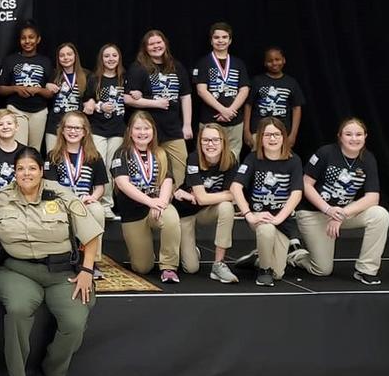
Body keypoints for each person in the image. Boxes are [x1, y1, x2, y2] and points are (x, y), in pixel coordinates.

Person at [0, 148, 101, 376]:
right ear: (14, 172)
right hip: (17, 270)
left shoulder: (62, 195)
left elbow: (91, 235)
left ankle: (53, 372)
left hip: (60, 271)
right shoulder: (0, 199)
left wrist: (86, 272)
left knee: (75, 319)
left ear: (41, 171)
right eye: (20, 169)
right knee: (17, 310)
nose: (26, 173)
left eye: (32, 168)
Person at [292, 118, 389, 284]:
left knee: (380, 214)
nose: (354, 138)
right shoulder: (325, 153)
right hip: (314, 213)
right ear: (340, 136)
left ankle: (366, 270)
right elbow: (306, 185)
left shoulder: (368, 159)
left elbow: (373, 198)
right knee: (322, 269)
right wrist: (328, 210)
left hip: (341, 214)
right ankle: (294, 254)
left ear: (365, 136)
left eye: (359, 134)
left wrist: (341, 214)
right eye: (348, 134)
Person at [230, 117, 304, 287]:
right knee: (266, 229)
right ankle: (263, 270)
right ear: (260, 138)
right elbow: (235, 187)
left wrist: (279, 218)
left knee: (277, 274)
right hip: (260, 216)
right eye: (267, 135)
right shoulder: (253, 158)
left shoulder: (294, 161)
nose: (272, 139)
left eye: (277, 134)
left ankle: (258, 257)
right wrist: (249, 215)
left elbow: (296, 194)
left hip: (283, 219)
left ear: (284, 137)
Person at [111, 111, 181, 282]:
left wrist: (161, 203)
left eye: (146, 128)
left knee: (170, 216)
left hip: (156, 208)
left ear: (153, 131)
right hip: (133, 213)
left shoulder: (161, 154)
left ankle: (169, 267)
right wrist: (151, 202)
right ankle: (140, 248)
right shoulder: (122, 154)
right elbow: (123, 184)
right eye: (138, 128)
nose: (142, 133)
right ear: (130, 131)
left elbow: (167, 180)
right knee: (143, 267)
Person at [173, 123, 239, 283]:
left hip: (206, 211)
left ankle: (218, 264)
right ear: (200, 142)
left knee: (226, 207)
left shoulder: (230, 160)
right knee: (191, 268)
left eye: (215, 140)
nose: (210, 144)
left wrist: (230, 196)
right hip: (186, 213)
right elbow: (203, 198)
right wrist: (227, 194)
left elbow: (232, 197)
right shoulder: (194, 158)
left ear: (223, 141)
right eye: (206, 140)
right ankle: (190, 250)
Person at [125, 29, 192, 187]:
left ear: (165, 44)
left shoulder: (177, 66)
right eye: (151, 44)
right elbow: (127, 99)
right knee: (151, 170)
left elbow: (186, 96)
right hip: (146, 130)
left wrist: (187, 125)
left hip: (173, 129)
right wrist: (155, 103)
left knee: (180, 169)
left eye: (159, 42)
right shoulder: (138, 67)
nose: (156, 46)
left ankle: (175, 203)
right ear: (145, 47)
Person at [82, 43, 126, 219]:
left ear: (119, 58)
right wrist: (99, 106)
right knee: (99, 166)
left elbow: (132, 98)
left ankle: (110, 204)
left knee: (112, 166)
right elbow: (86, 103)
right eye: (106, 56)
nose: (110, 59)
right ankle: (100, 204)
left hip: (118, 130)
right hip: (98, 129)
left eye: (114, 55)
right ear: (101, 59)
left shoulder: (125, 77)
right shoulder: (94, 78)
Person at [192, 22, 250, 159]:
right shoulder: (203, 63)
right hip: (210, 119)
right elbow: (201, 91)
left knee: (233, 157)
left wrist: (230, 111)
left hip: (234, 121)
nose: (220, 40)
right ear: (211, 40)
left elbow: (244, 89)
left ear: (230, 40)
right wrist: (223, 110)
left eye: (224, 37)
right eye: (217, 37)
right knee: (208, 156)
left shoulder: (238, 63)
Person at [44, 112, 107, 230]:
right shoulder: (53, 156)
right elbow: (51, 185)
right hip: (61, 202)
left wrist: (92, 198)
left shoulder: (94, 156)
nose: (72, 131)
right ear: (62, 130)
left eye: (77, 128)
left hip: (85, 202)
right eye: (69, 127)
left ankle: (95, 248)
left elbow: (100, 187)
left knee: (97, 210)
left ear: (84, 132)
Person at [0, 21, 54, 148]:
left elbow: (51, 93)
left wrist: (38, 90)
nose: (27, 41)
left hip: (39, 111)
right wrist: (16, 88)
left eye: (31, 37)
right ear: (19, 40)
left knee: (35, 150)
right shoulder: (10, 60)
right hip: (16, 109)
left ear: (38, 39)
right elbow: (0, 89)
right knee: (19, 148)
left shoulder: (46, 61)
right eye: (23, 38)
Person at [243, 47, 305, 150]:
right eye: (270, 61)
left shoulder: (291, 82)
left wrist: (293, 134)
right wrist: (246, 131)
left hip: (283, 132)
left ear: (284, 60)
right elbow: (248, 105)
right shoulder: (257, 81)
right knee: (258, 161)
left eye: (277, 59)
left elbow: (296, 108)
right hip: (258, 131)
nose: (274, 63)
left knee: (281, 162)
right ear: (265, 63)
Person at [44, 43, 89, 152]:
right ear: (58, 58)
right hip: (55, 125)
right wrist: (46, 86)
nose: (66, 58)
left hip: (76, 127)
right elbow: (41, 91)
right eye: (62, 55)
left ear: (75, 56)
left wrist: (91, 101)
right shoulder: (53, 74)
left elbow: (91, 97)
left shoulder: (87, 75)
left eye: (69, 54)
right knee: (53, 158)